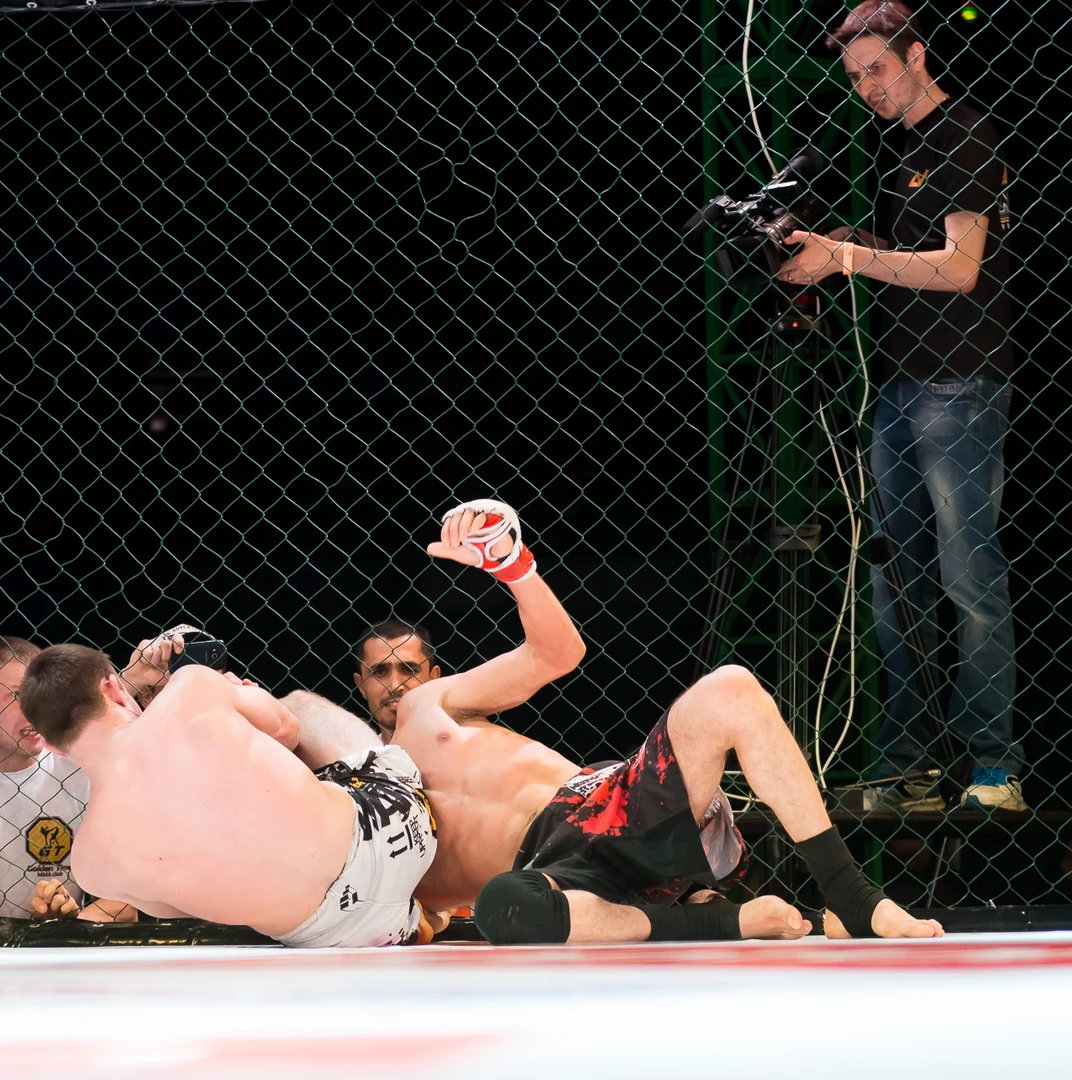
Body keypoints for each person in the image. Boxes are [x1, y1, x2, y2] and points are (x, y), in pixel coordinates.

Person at [352, 499, 939, 942]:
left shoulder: (433, 705)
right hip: (558, 884)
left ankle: (851, 898)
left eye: (408, 667)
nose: (395, 682)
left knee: (731, 688)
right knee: (503, 905)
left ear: (433, 672)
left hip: (602, 806)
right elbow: (410, 924)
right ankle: (720, 921)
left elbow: (557, 655)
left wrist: (512, 566)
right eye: (380, 671)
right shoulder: (355, 816)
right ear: (358, 684)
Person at [777, 0, 1022, 811]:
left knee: (967, 580)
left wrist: (847, 256)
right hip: (900, 386)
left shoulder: (964, 135)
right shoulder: (906, 148)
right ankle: (909, 770)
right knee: (894, 585)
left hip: (961, 385)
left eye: (877, 68)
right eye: (854, 77)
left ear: (916, 55)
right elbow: (908, 258)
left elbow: (958, 269)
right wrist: (828, 248)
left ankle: (993, 771)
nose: (867, 87)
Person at [16, 641, 442, 948]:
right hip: (395, 833)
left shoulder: (91, 866)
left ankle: (412, 918)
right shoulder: (189, 688)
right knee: (299, 703)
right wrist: (236, 700)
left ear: (51, 746)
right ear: (112, 688)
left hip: (335, 933)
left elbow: (182, 908)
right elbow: (286, 730)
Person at [0, 631, 143, 924]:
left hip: (62, 950)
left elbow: (125, 904)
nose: (36, 711)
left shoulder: (83, 772)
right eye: (17, 695)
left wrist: (67, 926)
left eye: (41, 697)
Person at [350, 620, 441, 742]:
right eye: (380, 672)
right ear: (361, 685)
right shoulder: (353, 754)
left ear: (433, 679)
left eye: (408, 670)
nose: (395, 686)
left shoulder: (462, 750)